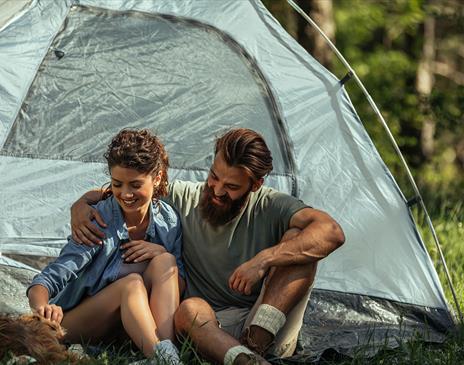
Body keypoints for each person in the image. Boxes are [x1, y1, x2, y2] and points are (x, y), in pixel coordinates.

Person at [71, 128, 345, 365]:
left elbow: (331, 232)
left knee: (301, 239)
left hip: (262, 321)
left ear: (256, 184)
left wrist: (264, 259)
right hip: (199, 323)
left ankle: (253, 351)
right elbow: (131, 190)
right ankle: (242, 359)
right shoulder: (183, 195)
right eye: (214, 176)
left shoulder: (271, 205)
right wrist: (82, 204)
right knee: (190, 308)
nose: (216, 190)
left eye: (231, 186)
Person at [27, 129, 185, 364]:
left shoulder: (168, 220)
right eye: (117, 184)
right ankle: (162, 359)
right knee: (131, 285)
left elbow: (179, 282)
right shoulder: (97, 221)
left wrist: (162, 252)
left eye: (135, 185)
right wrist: (42, 309)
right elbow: (46, 280)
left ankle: (164, 353)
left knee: (166, 261)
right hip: (79, 321)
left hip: (132, 328)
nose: (125, 194)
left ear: (158, 178)